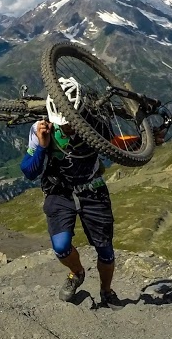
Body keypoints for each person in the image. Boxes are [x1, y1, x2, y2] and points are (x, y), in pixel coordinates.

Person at [20, 77, 122, 305]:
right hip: (59, 191)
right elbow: (28, 171)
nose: (65, 125)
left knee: (105, 250)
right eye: (61, 122)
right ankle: (77, 273)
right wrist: (42, 147)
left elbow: (116, 145)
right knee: (61, 246)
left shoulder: (96, 122)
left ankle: (106, 290)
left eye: (70, 121)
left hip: (93, 189)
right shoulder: (41, 128)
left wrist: (147, 142)